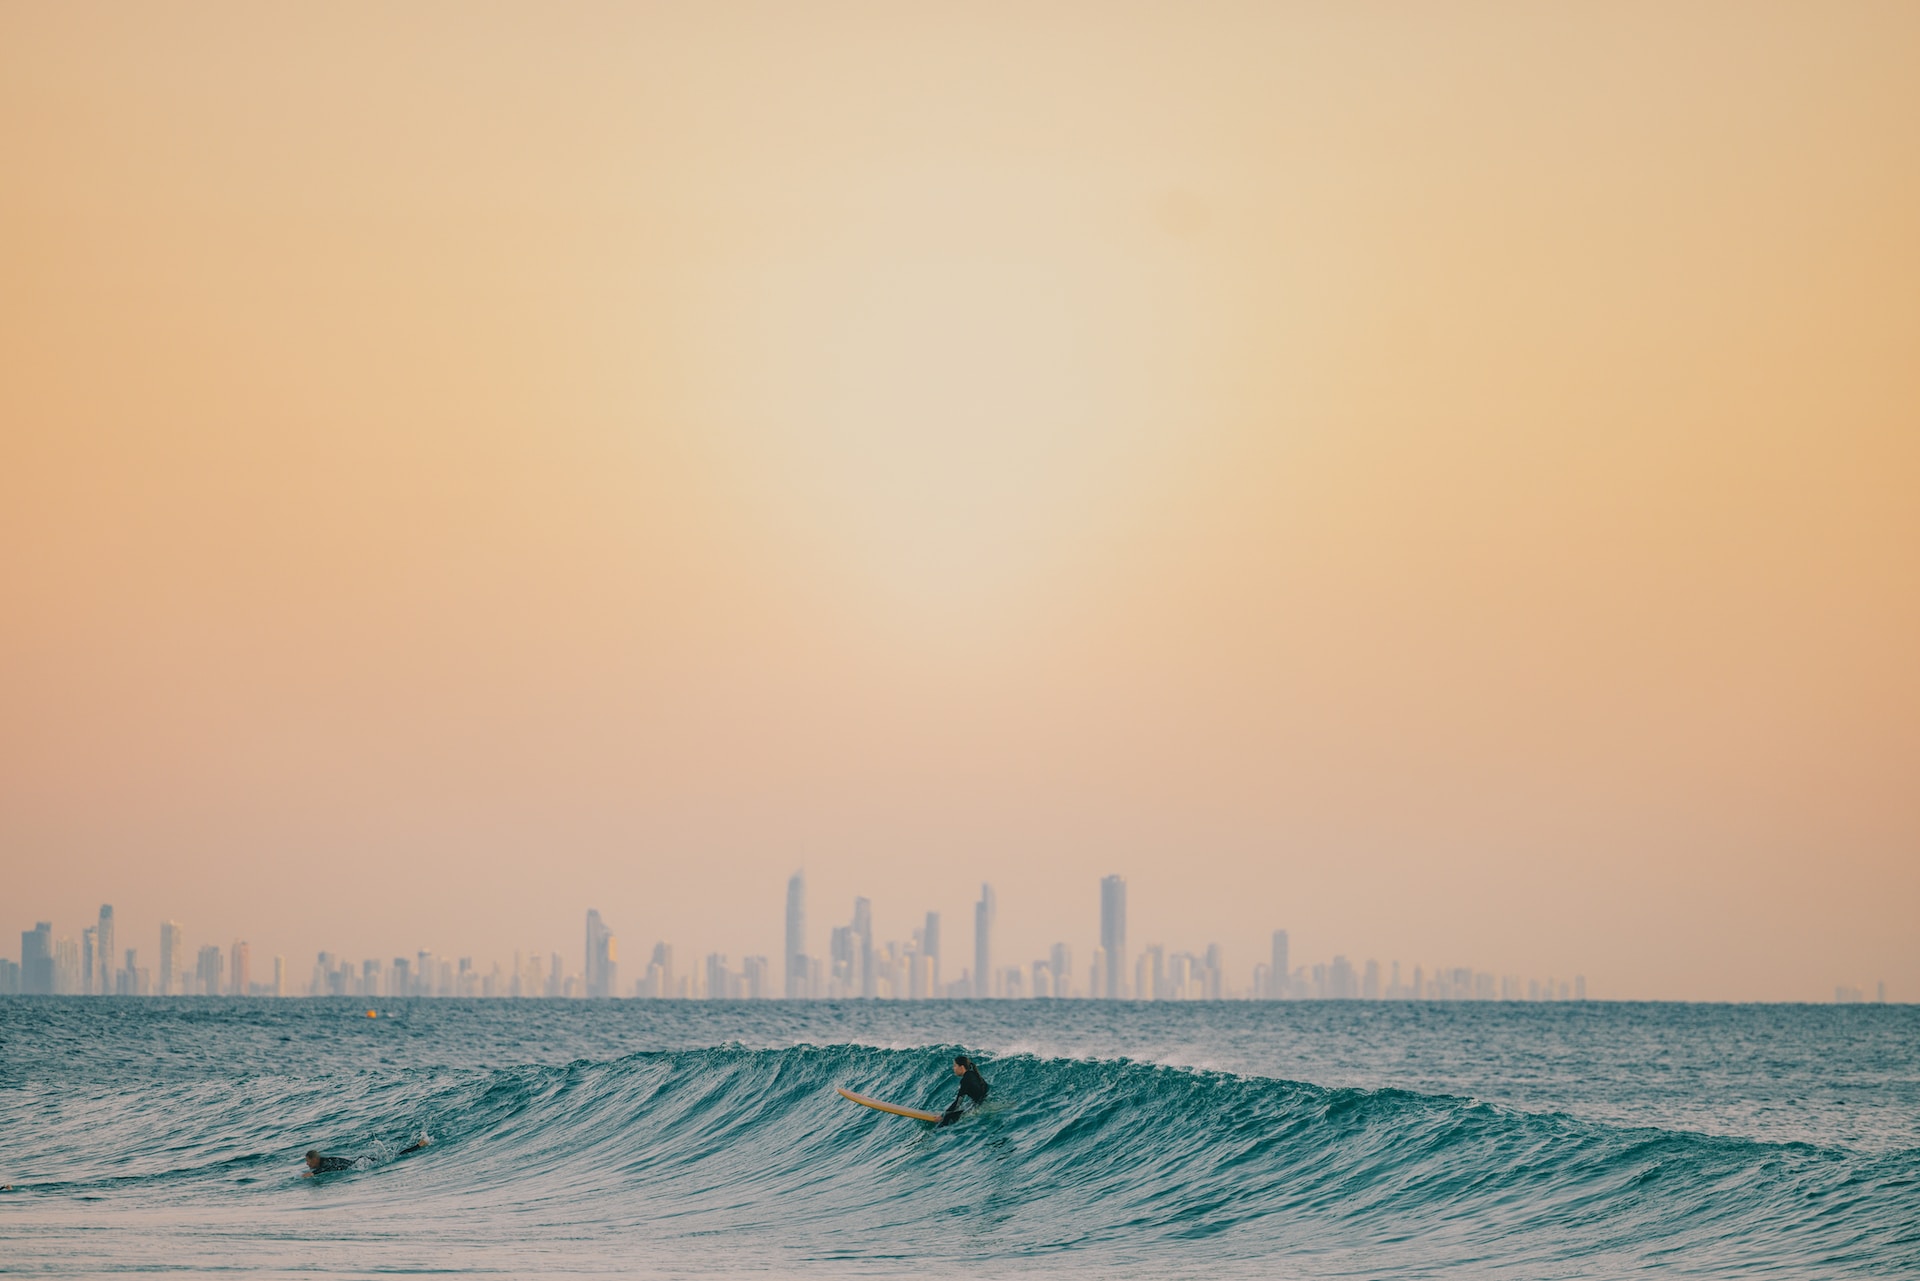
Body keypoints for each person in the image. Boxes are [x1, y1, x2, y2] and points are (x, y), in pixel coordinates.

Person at [302, 1136, 429, 1176]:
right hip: (360, 1162)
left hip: (361, 1164)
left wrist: (314, 1174)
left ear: (315, 1159)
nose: (307, 1164)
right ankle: (418, 1145)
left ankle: (418, 1146)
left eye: (308, 1161)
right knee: (393, 1157)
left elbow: (327, 1168)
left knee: (396, 1157)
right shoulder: (324, 1161)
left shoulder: (325, 1163)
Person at [941, 1054, 988, 1125]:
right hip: (983, 1101)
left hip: (978, 1105)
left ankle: (934, 1133)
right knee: (962, 1108)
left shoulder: (965, 1080)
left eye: (955, 1066)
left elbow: (958, 1102)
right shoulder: (974, 1074)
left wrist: (944, 1115)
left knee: (948, 1117)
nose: (953, 1068)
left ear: (962, 1067)